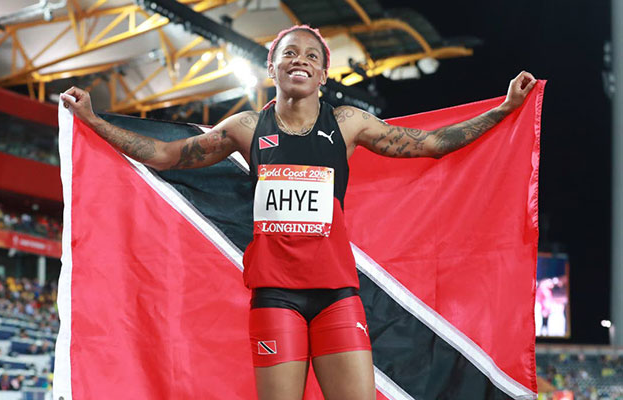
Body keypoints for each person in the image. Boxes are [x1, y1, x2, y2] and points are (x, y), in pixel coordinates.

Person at [62, 24, 536, 400]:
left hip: (337, 296)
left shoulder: (349, 124)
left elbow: (430, 145)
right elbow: (168, 155)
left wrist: (503, 110)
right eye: (290, 52)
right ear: (272, 66)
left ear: (324, 75)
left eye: (312, 55)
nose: (301, 61)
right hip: (276, 298)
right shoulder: (247, 128)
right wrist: (93, 120)